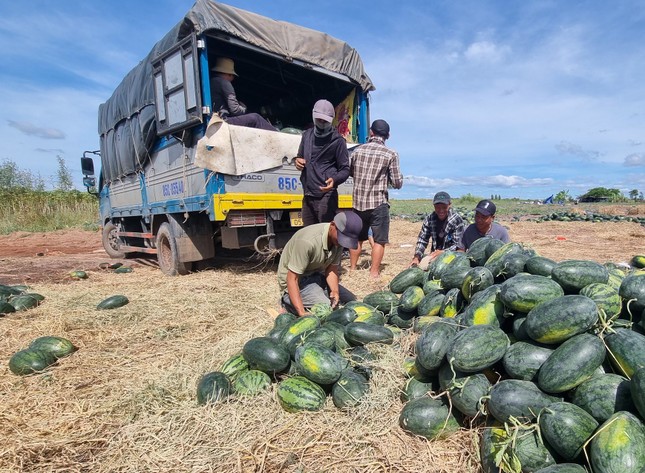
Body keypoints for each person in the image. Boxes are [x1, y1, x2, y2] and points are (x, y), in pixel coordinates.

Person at [278, 211, 362, 316]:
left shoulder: (338, 240)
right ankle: (288, 302)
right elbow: (292, 278)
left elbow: (332, 269)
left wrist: (335, 291)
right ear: (332, 225)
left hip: (315, 276)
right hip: (298, 282)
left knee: (351, 300)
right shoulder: (307, 242)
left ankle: (317, 294)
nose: (342, 243)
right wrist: (301, 313)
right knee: (326, 309)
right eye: (342, 238)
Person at [348, 119, 403, 279]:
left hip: (358, 203)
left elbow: (350, 171)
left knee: (357, 238)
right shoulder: (391, 154)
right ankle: (374, 273)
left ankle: (352, 269)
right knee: (379, 240)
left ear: (371, 132)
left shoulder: (357, 151)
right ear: (388, 135)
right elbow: (397, 182)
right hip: (378, 204)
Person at [294, 99, 350, 225]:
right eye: (319, 120)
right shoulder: (306, 136)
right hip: (308, 194)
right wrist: (297, 162)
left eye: (325, 121)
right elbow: (299, 157)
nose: (322, 123)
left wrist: (334, 180)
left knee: (325, 236)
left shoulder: (338, 141)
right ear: (313, 116)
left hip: (326, 196)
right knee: (309, 236)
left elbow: (345, 169)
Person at [210, 57, 275, 131]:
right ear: (229, 74)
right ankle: (280, 135)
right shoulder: (224, 83)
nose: (233, 78)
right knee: (255, 118)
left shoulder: (211, 82)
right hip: (223, 121)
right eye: (233, 75)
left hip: (213, 120)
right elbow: (235, 111)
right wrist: (243, 108)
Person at [410, 191, 466, 269]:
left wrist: (443, 252)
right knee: (420, 267)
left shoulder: (456, 220)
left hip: (451, 256)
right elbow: (422, 240)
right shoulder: (430, 218)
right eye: (438, 207)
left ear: (449, 205)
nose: (441, 210)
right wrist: (417, 257)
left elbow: (458, 246)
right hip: (434, 255)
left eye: (444, 207)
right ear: (434, 206)